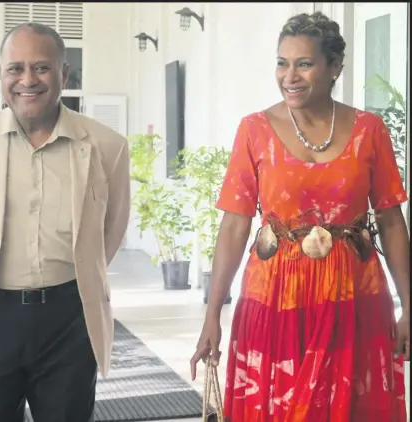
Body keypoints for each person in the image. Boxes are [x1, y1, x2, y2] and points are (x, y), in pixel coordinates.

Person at [190, 12, 409, 422]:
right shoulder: (254, 130)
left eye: (304, 63)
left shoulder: (369, 130)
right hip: (274, 300)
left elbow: (392, 221)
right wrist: (212, 315)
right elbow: (235, 225)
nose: (289, 76)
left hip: (354, 300)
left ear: (334, 68)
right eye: (282, 63)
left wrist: (410, 305)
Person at [0, 23, 130, 422]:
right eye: (15, 68)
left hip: (68, 321)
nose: (27, 80)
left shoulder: (107, 146)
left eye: (42, 68)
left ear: (64, 74)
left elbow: (111, 229)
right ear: (1, 75)